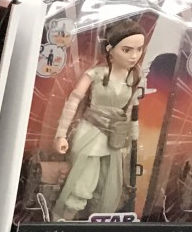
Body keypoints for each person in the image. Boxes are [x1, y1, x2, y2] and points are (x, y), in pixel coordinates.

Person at [53, 17, 145, 220]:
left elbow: (132, 113)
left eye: (139, 49)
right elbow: (73, 101)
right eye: (127, 50)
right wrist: (61, 134)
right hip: (91, 134)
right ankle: (63, 223)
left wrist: (132, 141)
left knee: (107, 189)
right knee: (83, 185)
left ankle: (94, 225)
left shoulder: (133, 79)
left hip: (116, 140)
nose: (134, 56)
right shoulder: (95, 74)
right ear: (110, 49)